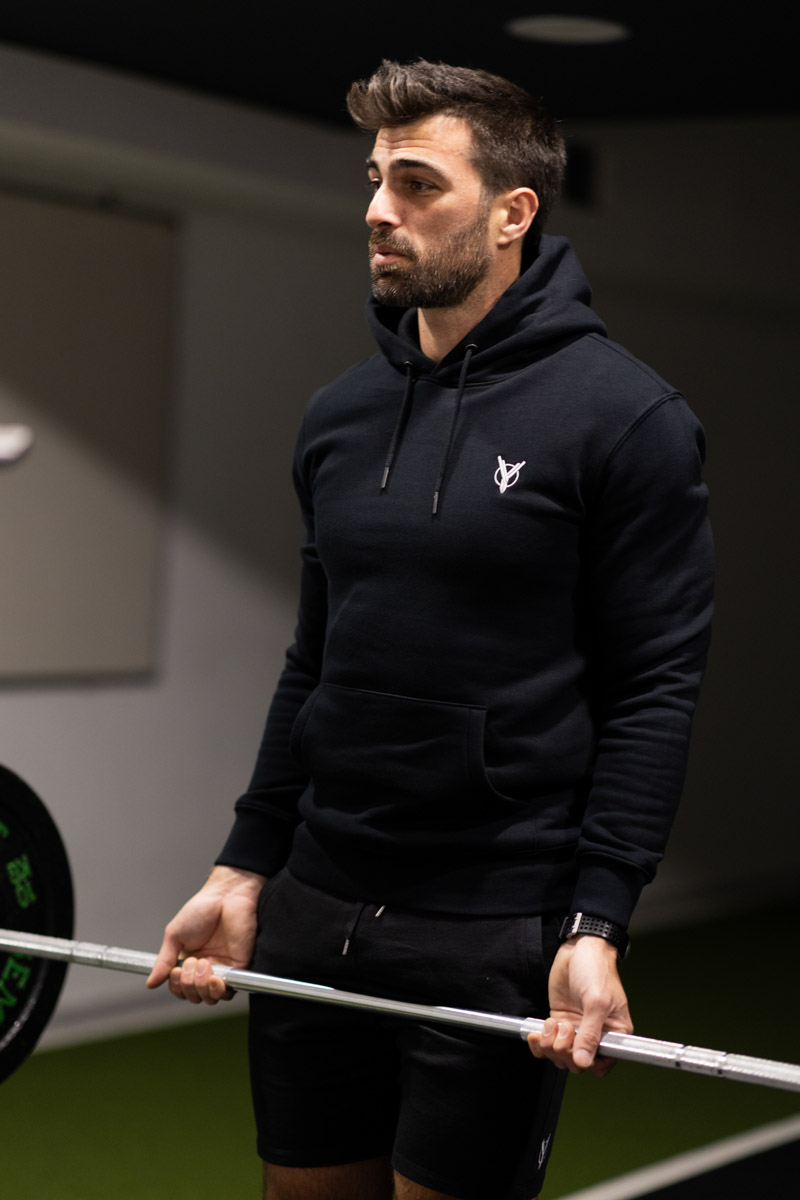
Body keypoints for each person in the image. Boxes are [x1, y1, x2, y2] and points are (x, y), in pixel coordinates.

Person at [147, 60, 713, 1200]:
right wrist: (244, 867)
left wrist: (596, 921)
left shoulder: (627, 419)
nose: (377, 209)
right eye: (373, 179)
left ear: (511, 214)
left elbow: (654, 686)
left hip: (494, 922)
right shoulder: (340, 417)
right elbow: (315, 658)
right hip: (316, 900)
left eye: (416, 183)